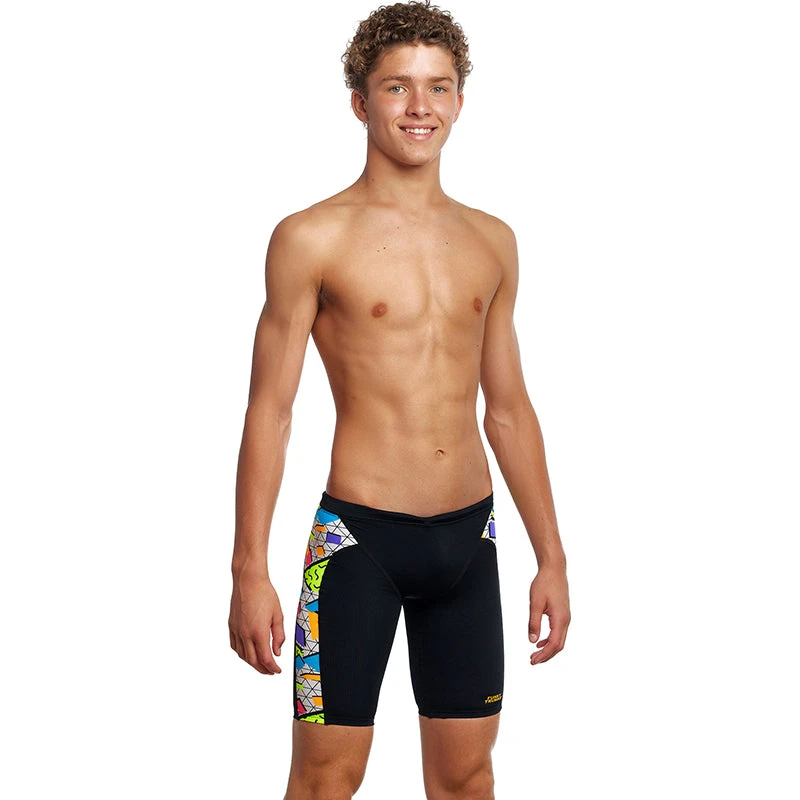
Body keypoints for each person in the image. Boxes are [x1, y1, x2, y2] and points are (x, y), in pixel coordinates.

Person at [228, 2, 570, 797]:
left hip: (470, 541)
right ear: (360, 102)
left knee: (467, 779)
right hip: (358, 543)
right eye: (397, 87)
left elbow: (508, 410)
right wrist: (249, 567)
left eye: (438, 86)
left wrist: (551, 555)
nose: (420, 106)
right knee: (325, 782)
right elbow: (270, 410)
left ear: (460, 100)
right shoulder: (310, 237)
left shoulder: (492, 240)